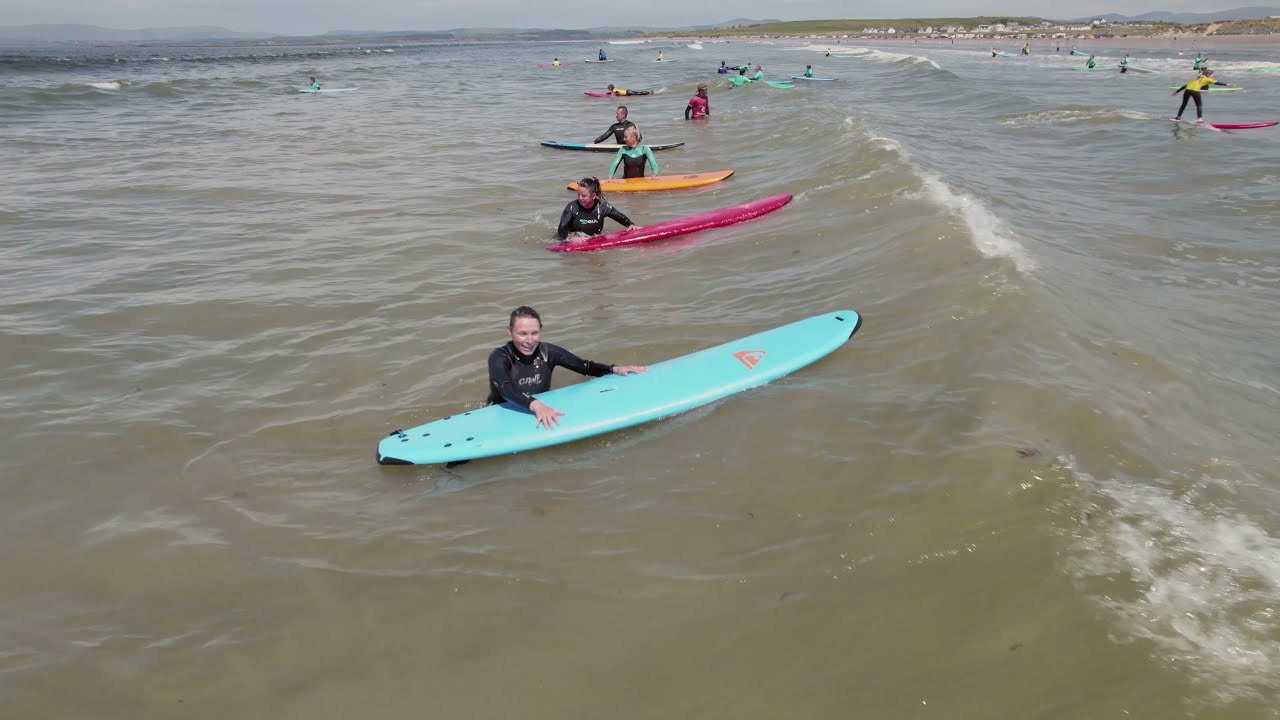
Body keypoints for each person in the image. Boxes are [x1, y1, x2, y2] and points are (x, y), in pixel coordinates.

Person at [488, 305, 647, 428]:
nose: (529, 340)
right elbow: (505, 389)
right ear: (510, 332)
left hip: (540, 409)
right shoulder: (500, 357)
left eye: (534, 333)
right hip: (502, 410)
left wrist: (614, 369)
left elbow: (585, 367)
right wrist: (536, 405)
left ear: (540, 330)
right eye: (522, 333)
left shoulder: (548, 352)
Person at [556, 177, 638, 240]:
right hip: (574, 240)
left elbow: (619, 217)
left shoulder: (602, 207)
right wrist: (570, 238)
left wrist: (630, 224)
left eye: (584, 196)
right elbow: (561, 228)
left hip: (593, 239)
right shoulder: (572, 207)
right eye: (578, 194)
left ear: (593, 196)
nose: (580, 198)